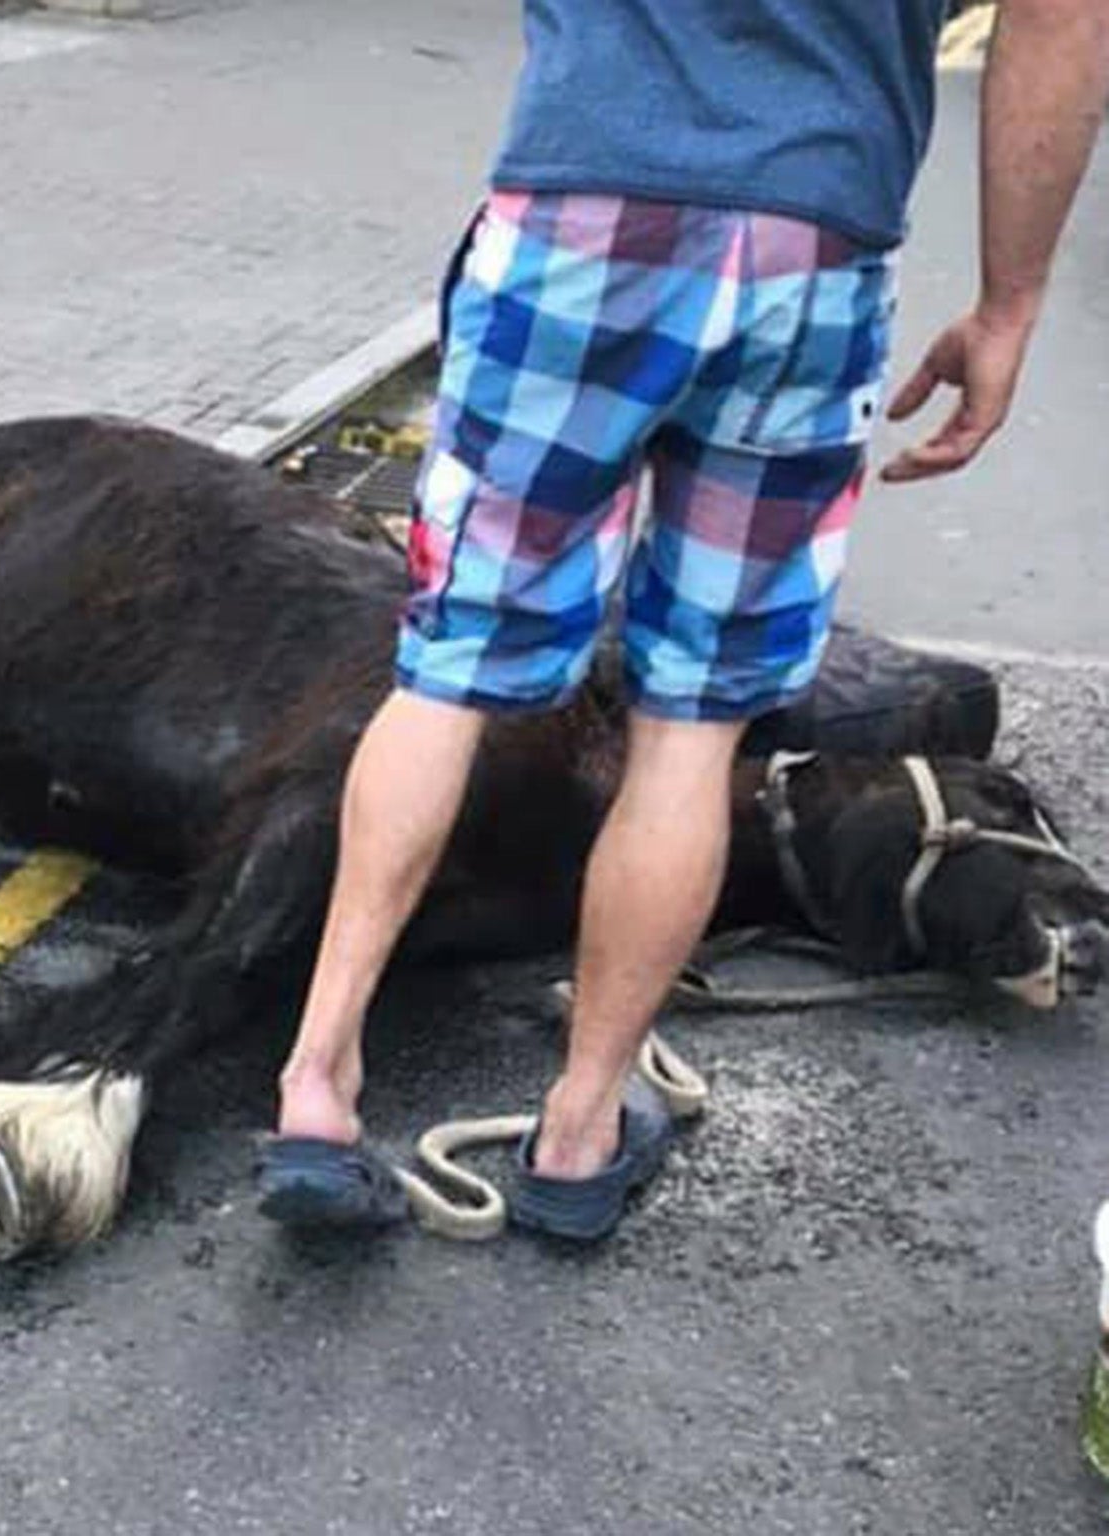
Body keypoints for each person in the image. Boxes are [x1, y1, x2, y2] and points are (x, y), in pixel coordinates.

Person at [257, 0, 1109, 1240]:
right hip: (809, 255)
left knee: (447, 675)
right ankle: (580, 1128)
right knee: (691, 724)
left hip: (575, 212)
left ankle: (318, 1085)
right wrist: (1007, 303)